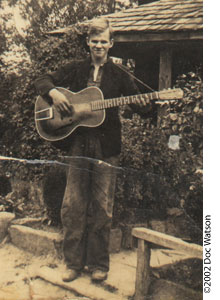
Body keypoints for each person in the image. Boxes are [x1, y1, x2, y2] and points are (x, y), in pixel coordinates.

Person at [34, 18, 151, 282]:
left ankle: (99, 264)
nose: (99, 46)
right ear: (88, 42)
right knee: (73, 204)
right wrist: (54, 93)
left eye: (104, 41)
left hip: (106, 147)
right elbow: (42, 80)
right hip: (78, 144)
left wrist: (146, 104)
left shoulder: (120, 75)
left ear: (111, 44)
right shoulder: (75, 69)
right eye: (94, 41)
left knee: (102, 206)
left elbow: (140, 107)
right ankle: (73, 264)